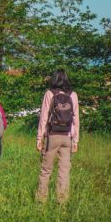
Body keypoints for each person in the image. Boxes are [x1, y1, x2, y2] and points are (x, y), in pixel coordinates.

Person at [36, 69, 80, 203]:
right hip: (67, 137)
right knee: (64, 172)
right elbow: (76, 118)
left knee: (46, 170)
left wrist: (39, 138)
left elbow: (44, 117)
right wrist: (76, 140)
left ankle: (41, 201)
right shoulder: (73, 95)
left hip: (52, 136)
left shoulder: (49, 93)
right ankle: (62, 202)